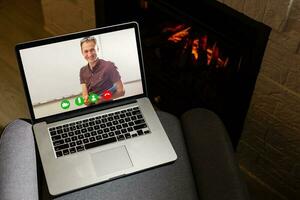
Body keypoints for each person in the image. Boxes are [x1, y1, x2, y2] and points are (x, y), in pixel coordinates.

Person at [79, 36, 125, 105]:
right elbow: (85, 97)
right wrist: (86, 101)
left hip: (108, 106)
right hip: (91, 109)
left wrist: (102, 99)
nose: (90, 54)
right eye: (86, 51)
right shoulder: (82, 71)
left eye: (92, 50)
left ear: (97, 49)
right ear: (82, 52)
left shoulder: (109, 66)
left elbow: (121, 91)